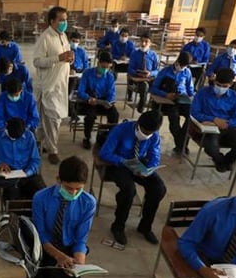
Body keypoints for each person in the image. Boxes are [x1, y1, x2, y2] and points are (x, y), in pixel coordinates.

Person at [99, 110, 166, 245]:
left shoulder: (154, 136)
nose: (146, 135)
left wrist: (148, 170)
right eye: (144, 131)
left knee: (158, 189)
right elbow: (105, 153)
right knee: (129, 191)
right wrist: (124, 162)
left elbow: (155, 156)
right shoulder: (121, 130)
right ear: (138, 124)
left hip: (139, 165)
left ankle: (145, 227)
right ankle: (118, 226)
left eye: (149, 133)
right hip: (119, 164)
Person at [33, 6, 73, 165]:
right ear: (52, 21)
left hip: (61, 83)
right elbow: (37, 61)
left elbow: (65, 55)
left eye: (66, 19)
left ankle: (39, 142)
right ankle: (52, 150)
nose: (65, 22)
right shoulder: (45, 38)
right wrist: (58, 58)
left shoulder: (63, 35)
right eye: (61, 20)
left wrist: (71, 58)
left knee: (48, 118)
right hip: (49, 85)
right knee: (53, 119)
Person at [190, 68, 236, 172]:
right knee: (211, 147)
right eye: (218, 85)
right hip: (209, 128)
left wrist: (227, 123)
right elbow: (194, 112)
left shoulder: (234, 97)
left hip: (227, 127)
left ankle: (226, 161)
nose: (221, 88)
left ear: (230, 85)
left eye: (225, 86)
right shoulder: (203, 92)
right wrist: (214, 119)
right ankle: (221, 161)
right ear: (215, 81)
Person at [0, 117, 44, 201]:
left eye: (17, 138)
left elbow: (35, 160)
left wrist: (27, 172)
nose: (14, 140)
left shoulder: (29, 136)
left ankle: (34, 212)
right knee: (13, 199)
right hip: (9, 176)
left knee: (42, 196)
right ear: (6, 128)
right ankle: (17, 213)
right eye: (11, 137)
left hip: (27, 174)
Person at [150, 52, 195, 154]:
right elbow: (153, 88)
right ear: (177, 61)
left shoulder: (187, 72)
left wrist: (191, 96)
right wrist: (165, 94)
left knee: (191, 117)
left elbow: (190, 90)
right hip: (169, 101)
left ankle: (181, 144)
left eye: (185, 66)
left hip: (183, 100)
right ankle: (182, 145)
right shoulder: (165, 71)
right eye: (181, 65)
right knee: (174, 118)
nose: (182, 67)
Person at [75, 51, 119, 150]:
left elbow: (112, 93)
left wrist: (109, 102)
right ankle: (87, 137)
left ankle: (109, 137)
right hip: (91, 100)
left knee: (114, 114)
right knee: (90, 116)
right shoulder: (87, 73)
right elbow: (80, 91)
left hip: (103, 101)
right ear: (98, 63)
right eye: (103, 67)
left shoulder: (110, 76)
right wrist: (88, 98)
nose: (105, 70)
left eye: (107, 68)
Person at [127, 33, 159, 113]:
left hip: (149, 77)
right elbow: (130, 69)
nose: (143, 44)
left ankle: (155, 106)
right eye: (142, 41)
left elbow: (157, 70)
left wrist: (150, 73)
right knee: (144, 86)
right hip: (137, 79)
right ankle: (141, 104)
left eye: (146, 42)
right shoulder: (134, 54)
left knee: (159, 84)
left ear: (150, 43)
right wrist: (137, 73)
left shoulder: (154, 55)